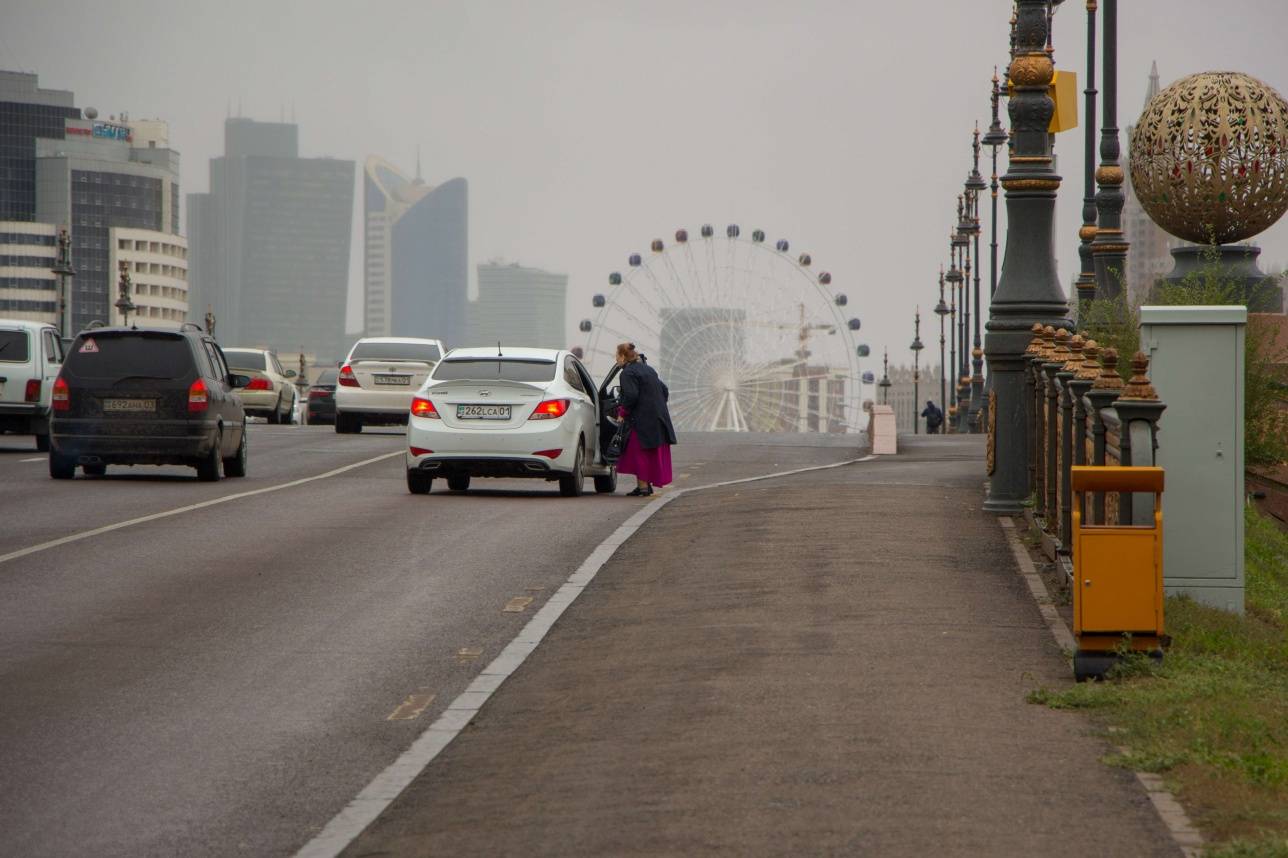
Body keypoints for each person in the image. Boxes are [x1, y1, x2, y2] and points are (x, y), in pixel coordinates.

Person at [614, 341, 677, 497]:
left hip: (640, 420)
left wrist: (622, 412)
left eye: (616, 356)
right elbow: (664, 389)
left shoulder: (627, 373)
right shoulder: (648, 370)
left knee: (639, 453)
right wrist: (656, 404)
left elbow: (631, 395)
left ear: (623, 357)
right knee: (648, 453)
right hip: (657, 417)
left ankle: (643, 487)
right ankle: (644, 486)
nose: (616, 359)